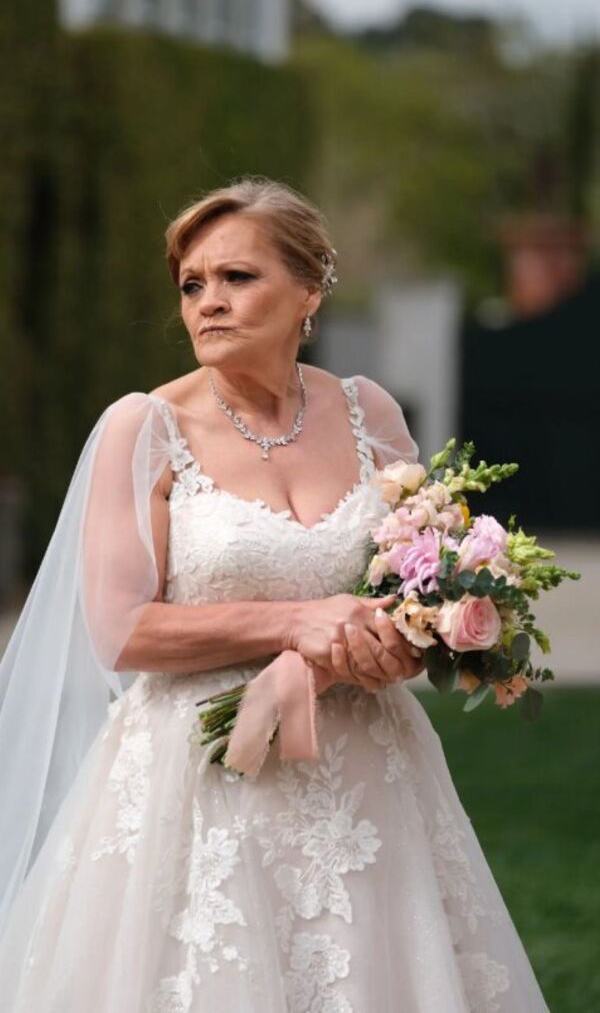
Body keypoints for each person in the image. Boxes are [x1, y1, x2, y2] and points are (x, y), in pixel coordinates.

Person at [0, 177, 550, 1011]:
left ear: (309, 290)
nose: (208, 302)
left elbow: (414, 587)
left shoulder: (369, 412)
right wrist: (299, 621)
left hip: (368, 772)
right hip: (206, 771)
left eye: (237, 277)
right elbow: (121, 630)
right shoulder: (143, 428)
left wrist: (406, 639)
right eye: (192, 284)